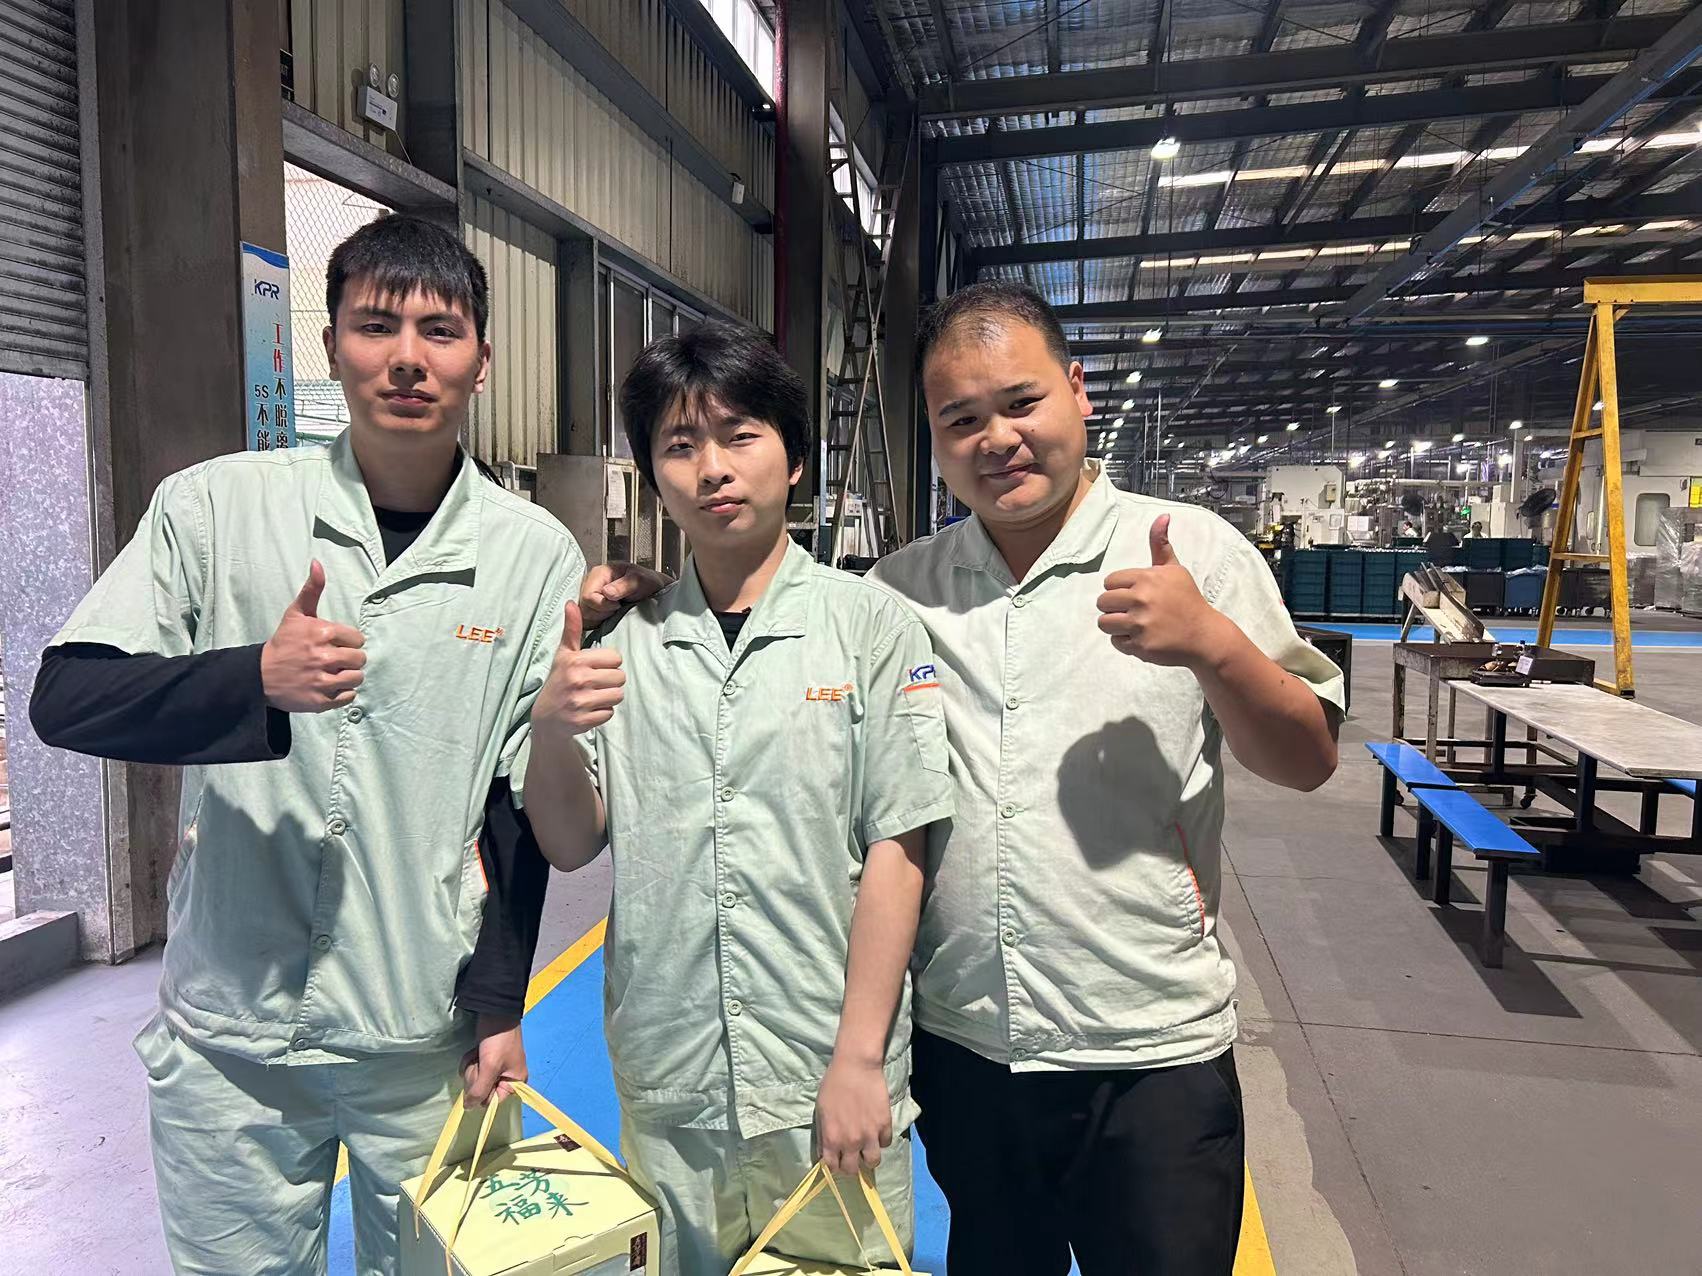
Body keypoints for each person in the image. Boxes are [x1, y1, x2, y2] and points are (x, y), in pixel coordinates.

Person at [582, 283, 1343, 1274]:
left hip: (1146, 1048)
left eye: (1021, 403)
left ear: (1078, 391)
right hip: (969, 1050)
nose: (998, 440)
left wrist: (1212, 645)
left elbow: (1307, 759)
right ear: (936, 438)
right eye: (962, 419)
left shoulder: (1192, 553)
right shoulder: (901, 593)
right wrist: (649, 604)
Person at [30, 213, 580, 1275]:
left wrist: (497, 1006)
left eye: (440, 331)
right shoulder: (215, 509)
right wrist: (250, 679)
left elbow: (511, 806)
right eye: (376, 326)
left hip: (420, 1036)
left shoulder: (532, 557)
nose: (408, 358)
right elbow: (69, 698)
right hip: (231, 1039)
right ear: (330, 347)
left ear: (481, 361)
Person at [518, 321, 953, 1276]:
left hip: (824, 1075)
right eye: (680, 445)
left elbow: (900, 848)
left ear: (794, 459)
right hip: (670, 1082)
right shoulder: (621, 644)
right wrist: (550, 724)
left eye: (740, 435)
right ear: (653, 475)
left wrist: (860, 1060)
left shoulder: (869, 628)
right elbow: (569, 842)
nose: (712, 467)